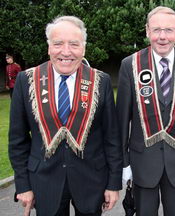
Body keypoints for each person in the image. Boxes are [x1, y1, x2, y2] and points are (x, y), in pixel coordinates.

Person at [8, 16, 123, 216]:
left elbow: (111, 138)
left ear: (83, 49)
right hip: (43, 181)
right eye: (58, 44)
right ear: (49, 47)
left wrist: (113, 184)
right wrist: (23, 185)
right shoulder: (26, 81)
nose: (66, 51)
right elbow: (17, 140)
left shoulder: (100, 81)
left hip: (91, 179)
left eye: (74, 44)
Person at [116, 6, 175, 216]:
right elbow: (121, 122)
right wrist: (123, 163)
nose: (162, 37)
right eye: (156, 30)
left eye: (168, 30)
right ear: (147, 31)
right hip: (142, 163)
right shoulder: (130, 65)